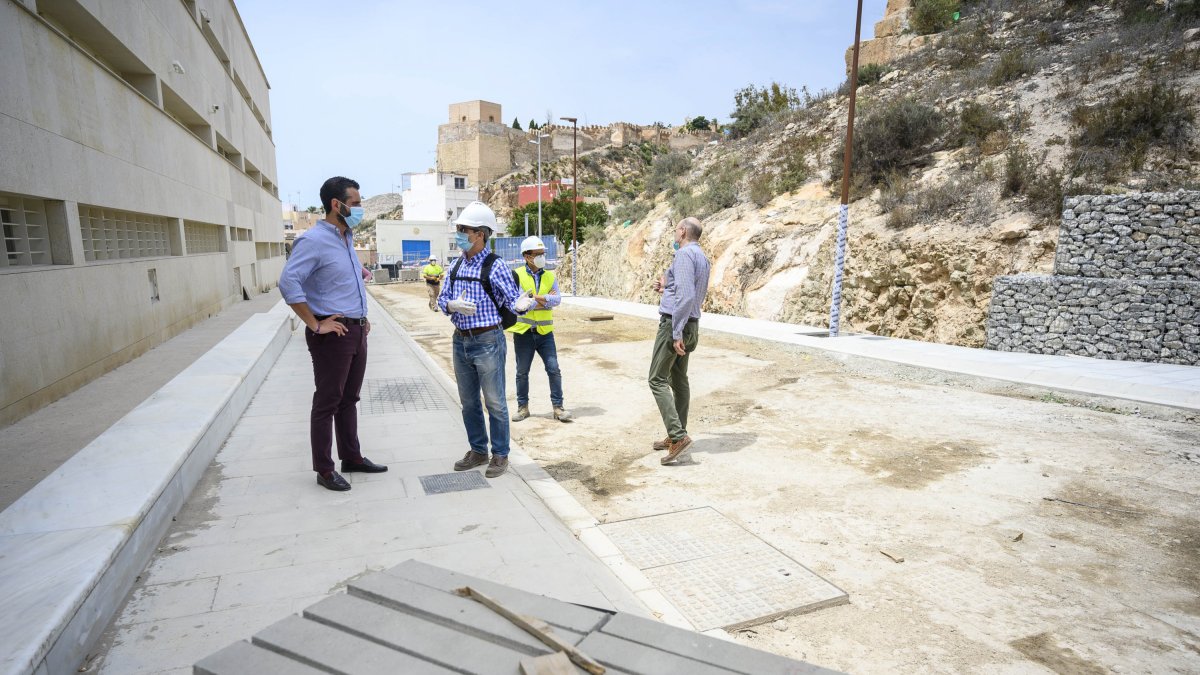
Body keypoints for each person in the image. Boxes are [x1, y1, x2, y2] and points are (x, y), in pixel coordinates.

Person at [278, 176, 388, 492]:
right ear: (336, 205)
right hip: (332, 335)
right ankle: (324, 469)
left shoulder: (346, 238)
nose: (360, 209)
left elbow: (344, 284)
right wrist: (315, 324)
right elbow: (288, 283)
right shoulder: (313, 241)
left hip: (355, 330)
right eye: (354, 203)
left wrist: (361, 318)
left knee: (349, 399)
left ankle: (351, 457)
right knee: (327, 401)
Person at [437, 201, 535, 478]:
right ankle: (478, 450)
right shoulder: (455, 265)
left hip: (488, 341)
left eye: (463, 229)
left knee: (494, 401)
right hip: (461, 341)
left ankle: (500, 454)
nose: (458, 234)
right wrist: (452, 305)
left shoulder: (495, 265)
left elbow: (512, 297)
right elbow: (442, 299)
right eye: (457, 229)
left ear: (480, 233)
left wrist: (521, 304)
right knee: (468, 402)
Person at [650, 217, 711, 465]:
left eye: (676, 229)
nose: (675, 233)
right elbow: (688, 292)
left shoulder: (684, 255)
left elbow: (685, 297)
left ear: (683, 231)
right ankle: (677, 433)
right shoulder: (702, 257)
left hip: (677, 325)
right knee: (678, 379)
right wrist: (666, 288)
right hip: (691, 323)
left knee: (656, 379)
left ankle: (678, 436)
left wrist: (676, 332)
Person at [508, 236, 571, 423]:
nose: (542, 257)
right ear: (527, 256)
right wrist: (544, 300)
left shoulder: (550, 275)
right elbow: (516, 304)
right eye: (538, 254)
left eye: (543, 254)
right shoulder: (516, 275)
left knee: (554, 370)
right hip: (523, 333)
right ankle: (523, 408)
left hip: (545, 334)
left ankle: (558, 408)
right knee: (522, 372)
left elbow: (557, 299)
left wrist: (533, 298)